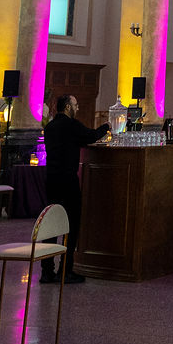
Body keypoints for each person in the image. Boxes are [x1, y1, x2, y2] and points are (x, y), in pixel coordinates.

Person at [40, 95, 109, 284]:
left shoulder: (50, 127)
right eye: (76, 105)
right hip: (68, 181)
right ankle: (65, 270)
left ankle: (46, 271)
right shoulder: (71, 125)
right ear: (68, 107)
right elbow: (91, 136)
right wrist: (107, 126)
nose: (77, 108)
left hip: (51, 180)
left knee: (51, 225)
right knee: (71, 225)